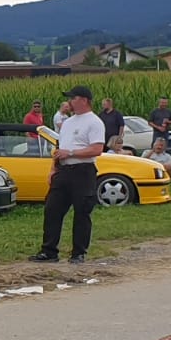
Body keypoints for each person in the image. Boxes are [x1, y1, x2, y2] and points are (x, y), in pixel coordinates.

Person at [33, 85, 105, 264]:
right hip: (63, 170)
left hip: (83, 171)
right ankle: (49, 251)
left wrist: (71, 153)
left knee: (82, 212)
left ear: (84, 100)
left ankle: (78, 252)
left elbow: (97, 149)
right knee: (52, 210)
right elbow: (60, 148)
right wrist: (53, 168)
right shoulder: (67, 122)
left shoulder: (94, 122)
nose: (70, 102)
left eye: (73, 98)